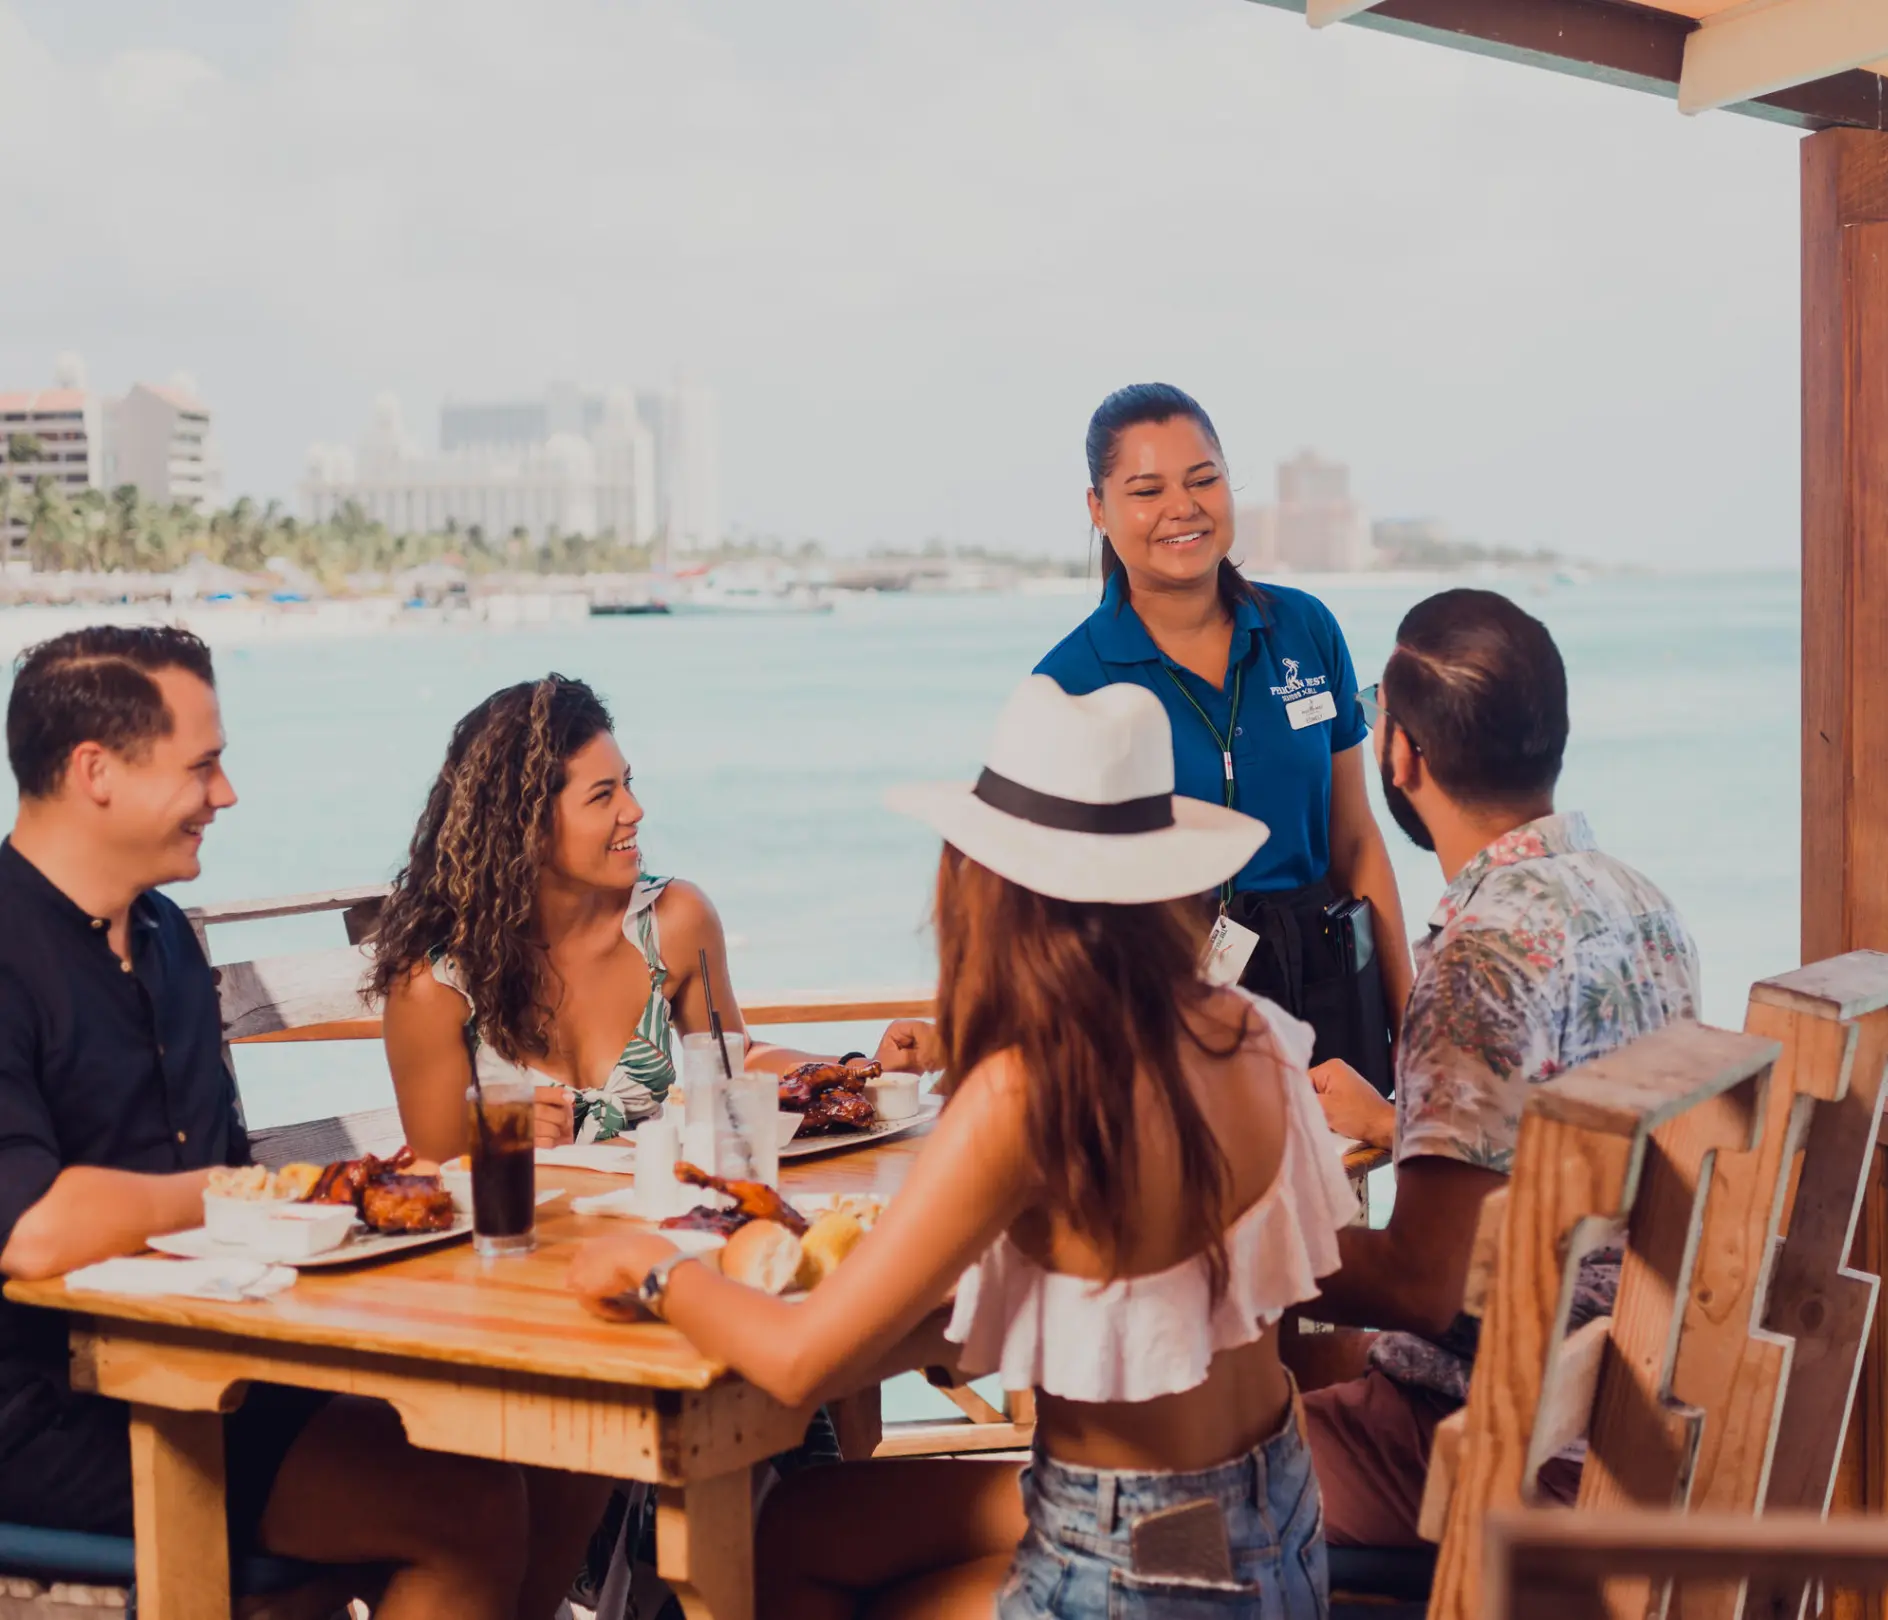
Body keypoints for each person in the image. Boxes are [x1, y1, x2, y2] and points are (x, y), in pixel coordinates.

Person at [566, 676, 1361, 1619]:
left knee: (783, 1563)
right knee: (801, 1531)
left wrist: (658, 1271)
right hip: (1274, 1529)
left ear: (986, 880)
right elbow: (1119, 1297)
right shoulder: (1253, 1034)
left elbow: (796, 1365)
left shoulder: (1029, 1093)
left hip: (1133, 1566)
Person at [0, 626, 585, 1620]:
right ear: (96, 771)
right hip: (51, 1413)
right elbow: (33, 1230)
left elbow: (219, 1199)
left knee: (557, 1438)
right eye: (204, 764)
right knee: (465, 1509)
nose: (225, 795)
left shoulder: (167, 947)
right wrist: (262, 1191)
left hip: (213, 1365)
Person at [1292, 589, 1702, 1550]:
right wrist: (1403, 1123)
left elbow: (1416, 1290)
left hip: (1492, 1443)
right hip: (1623, 1417)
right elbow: (1570, 1140)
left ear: (1401, 757)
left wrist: (1208, 1255)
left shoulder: (1476, 958)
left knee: (1161, 1483)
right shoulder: (1641, 904)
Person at [368, 674, 926, 1159]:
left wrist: (863, 1068)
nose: (634, 811)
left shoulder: (675, 921)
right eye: (602, 796)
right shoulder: (434, 986)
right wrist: (493, 1133)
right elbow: (433, 1162)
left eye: (627, 784)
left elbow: (734, 1062)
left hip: (661, 1230)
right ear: (525, 825)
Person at [1028, 382, 1411, 1089]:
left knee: (1338, 1200)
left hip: (1330, 1002)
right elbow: (1053, 920)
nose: (1183, 508)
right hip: (1168, 1020)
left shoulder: (1306, 629)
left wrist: (1411, 1025)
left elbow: (1356, 839)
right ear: (1098, 510)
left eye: (1203, 479)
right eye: (1147, 490)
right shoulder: (1068, 683)